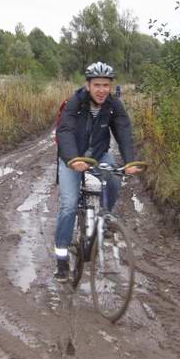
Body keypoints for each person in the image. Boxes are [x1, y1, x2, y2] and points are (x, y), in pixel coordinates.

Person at [53, 61, 142, 282]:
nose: (102, 90)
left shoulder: (113, 105)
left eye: (106, 85)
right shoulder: (75, 103)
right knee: (69, 205)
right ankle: (62, 261)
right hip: (71, 157)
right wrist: (72, 160)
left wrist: (130, 161)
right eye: (97, 85)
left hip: (99, 154)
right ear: (88, 85)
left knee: (113, 178)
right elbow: (64, 131)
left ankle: (104, 220)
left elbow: (123, 132)